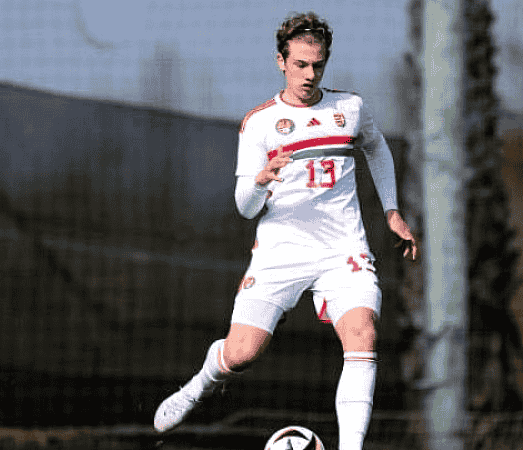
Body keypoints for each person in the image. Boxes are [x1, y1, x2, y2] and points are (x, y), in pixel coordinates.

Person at [154, 12, 417, 450]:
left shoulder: (350, 108)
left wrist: (392, 212)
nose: (310, 75)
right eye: (300, 65)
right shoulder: (259, 123)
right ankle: (200, 384)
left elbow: (377, 148)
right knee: (241, 353)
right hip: (281, 251)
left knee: (363, 334)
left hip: (343, 249)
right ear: (281, 61)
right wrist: (260, 180)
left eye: (318, 65)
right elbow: (245, 209)